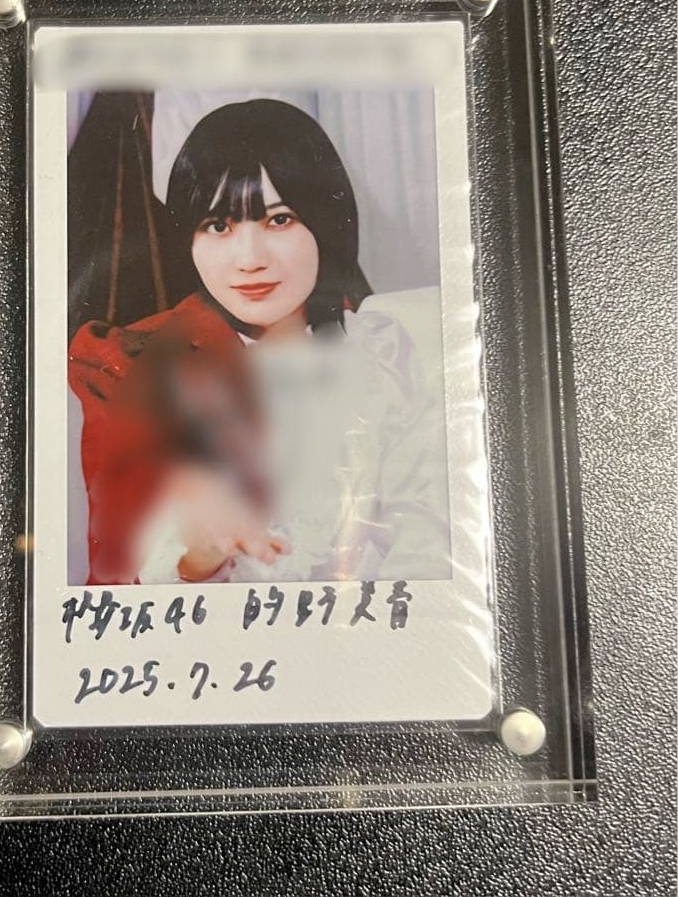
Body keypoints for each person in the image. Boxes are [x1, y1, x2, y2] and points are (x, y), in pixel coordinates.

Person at [69, 99, 450, 585]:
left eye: (279, 220)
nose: (249, 259)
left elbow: (426, 529)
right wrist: (201, 555)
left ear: (326, 222)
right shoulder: (156, 369)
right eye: (218, 226)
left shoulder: (382, 350)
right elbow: (140, 579)